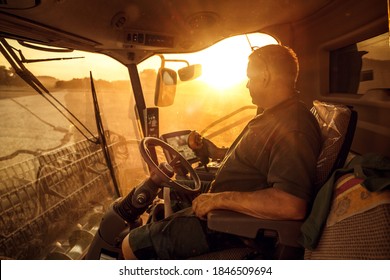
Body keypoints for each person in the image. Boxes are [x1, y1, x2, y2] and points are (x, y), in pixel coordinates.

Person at [121, 44, 322, 259]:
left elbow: (291, 204)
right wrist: (213, 151)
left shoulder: (294, 126)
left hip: (233, 227)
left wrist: (218, 200)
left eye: (251, 78)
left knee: (130, 245)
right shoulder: (276, 115)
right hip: (228, 207)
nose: (247, 84)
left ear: (265, 76)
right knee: (169, 189)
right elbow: (255, 161)